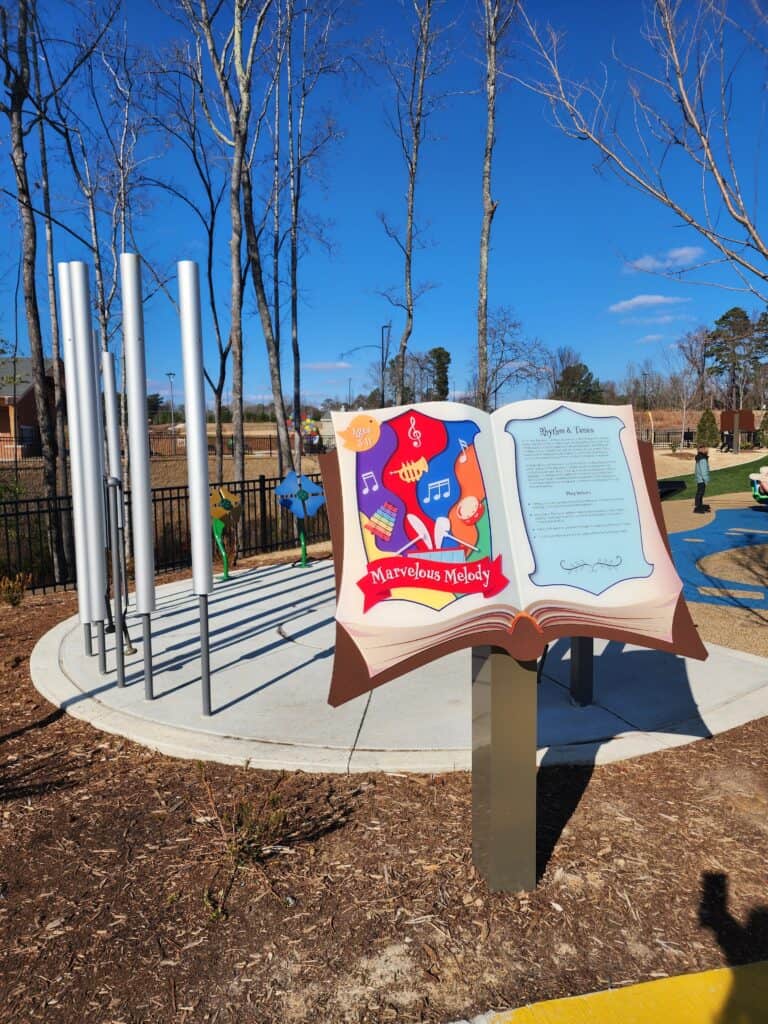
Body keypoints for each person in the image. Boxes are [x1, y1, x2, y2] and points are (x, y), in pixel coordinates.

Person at [694, 445, 711, 513]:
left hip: (699, 478)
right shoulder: (703, 459)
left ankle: (700, 505)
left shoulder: (700, 458)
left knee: (701, 492)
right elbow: (703, 471)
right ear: (703, 450)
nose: (708, 451)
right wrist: (706, 480)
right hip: (702, 479)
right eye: (706, 450)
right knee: (700, 492)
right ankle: (698, 507)